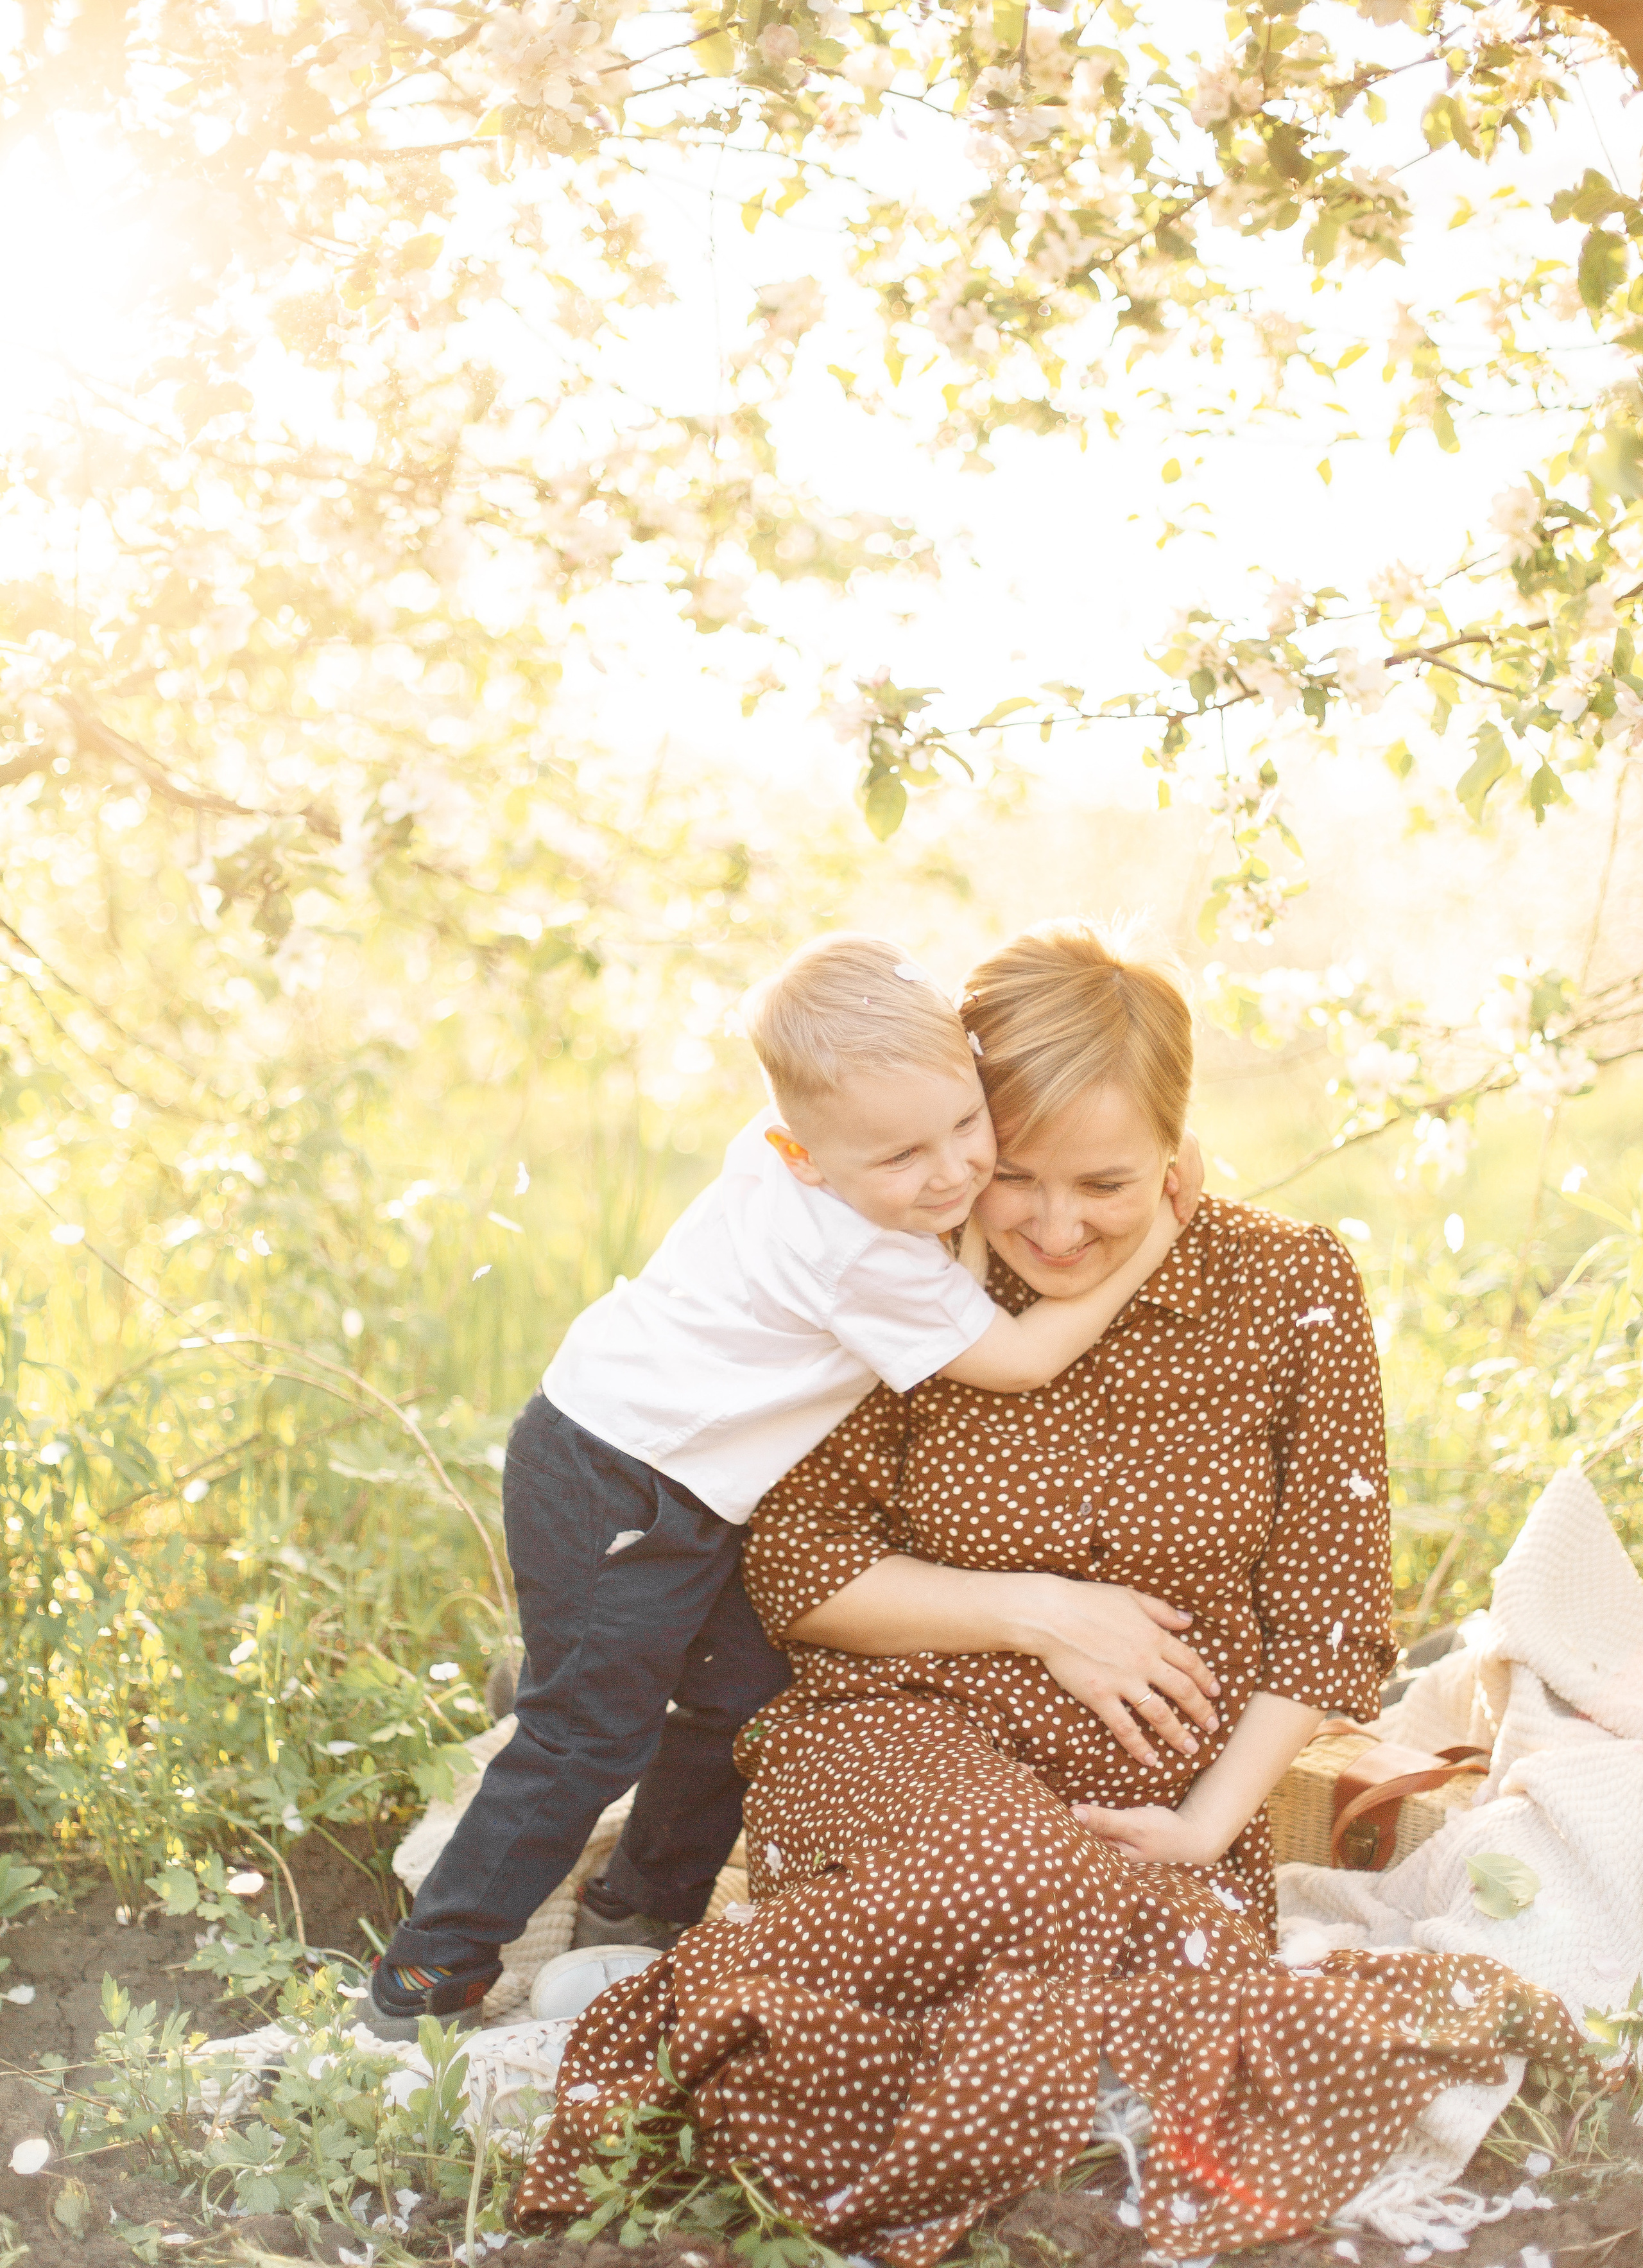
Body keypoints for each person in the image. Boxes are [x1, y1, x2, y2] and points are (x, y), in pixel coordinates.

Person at [516, 916, 1588, 2262]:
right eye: (1013, 1179)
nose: (1056, 1225)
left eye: (1107, 1185)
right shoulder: (889, 1270)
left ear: (1177, 1153)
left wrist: (1204, 1829)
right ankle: (726, 2010)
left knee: (1090, 1914)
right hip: (891, 1730)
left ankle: (927, 2061)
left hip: (1159, 1790)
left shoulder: (1288, 1286)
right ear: (965, 1140)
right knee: (1004, 1870)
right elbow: (797, 1571)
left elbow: (1329, 1615)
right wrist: (1037, 1611)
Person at [365, 932, 1196, 2039]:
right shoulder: (862, 1250)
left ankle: (641, 1908)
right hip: (619, 1477)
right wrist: (1158, 1239)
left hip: (681, 1483)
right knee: (587, 1737)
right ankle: (431, 1972)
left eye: (966, 1126)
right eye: (903, 1156)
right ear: (804, 1156)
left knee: (743, 1685)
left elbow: (870, 1046)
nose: (950, 1175)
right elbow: (1020, 1358)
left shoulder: (810, 1143)